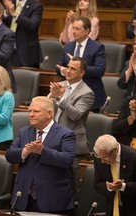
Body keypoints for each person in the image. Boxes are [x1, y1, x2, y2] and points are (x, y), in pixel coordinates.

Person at [6, 96, 75, 215]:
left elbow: (67, 159)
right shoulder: (24, 132)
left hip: (52, 200)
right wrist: (25, 151)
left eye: (36, 111)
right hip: (23, 198)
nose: (31, 114)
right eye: (30, 111)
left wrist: (43, 151)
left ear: (49, 114)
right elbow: (10, 155)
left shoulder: (65, 134)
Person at [49, 57, 94, 199]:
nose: (68, 71)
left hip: (72, 145)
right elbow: (46, 106)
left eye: (73, 68)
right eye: (68, 67)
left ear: (82, 72)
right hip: (52, 141)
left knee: (72, 189)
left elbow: (76, 114)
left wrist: (59, 98)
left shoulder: (87, 92)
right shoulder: (60, 85)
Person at [93, 134, 136, 216]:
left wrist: (122, 186)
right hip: (115, 209)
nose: (102, 161)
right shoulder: (99, 158)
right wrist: (108, 188)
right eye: (100, 157)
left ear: (115, 150)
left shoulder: (135, 157)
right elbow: (97, 183)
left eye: (105, 158)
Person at [57, 16, 106, 113]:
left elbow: (100, 70)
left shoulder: (97, 47)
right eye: (73, 28)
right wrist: (63, 71)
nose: (74, 31)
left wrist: (78, 69)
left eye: (77, 29)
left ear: (87, 30)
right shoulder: (68, 46)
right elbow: (59, 67)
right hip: (68, 94)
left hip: (90, 94)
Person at [3, 0, 43, 68]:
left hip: (27, 54)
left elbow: (33, 24)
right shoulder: (10, 4)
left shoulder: (36, 6)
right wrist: (6, 13)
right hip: (9, 51)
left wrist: (15, 15)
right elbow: (3, 26)